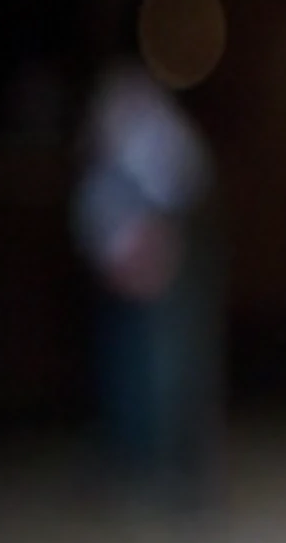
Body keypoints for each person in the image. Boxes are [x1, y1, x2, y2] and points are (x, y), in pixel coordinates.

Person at [74, 53, 211, 504]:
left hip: (150, 260)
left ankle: (157, 468)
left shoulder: (149, 122)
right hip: (119, 263)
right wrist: (115, 252)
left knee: (157, 370)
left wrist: (152, 241)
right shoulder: (121, 114)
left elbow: (185, 176)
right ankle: (134, 466)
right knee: (128, 369)